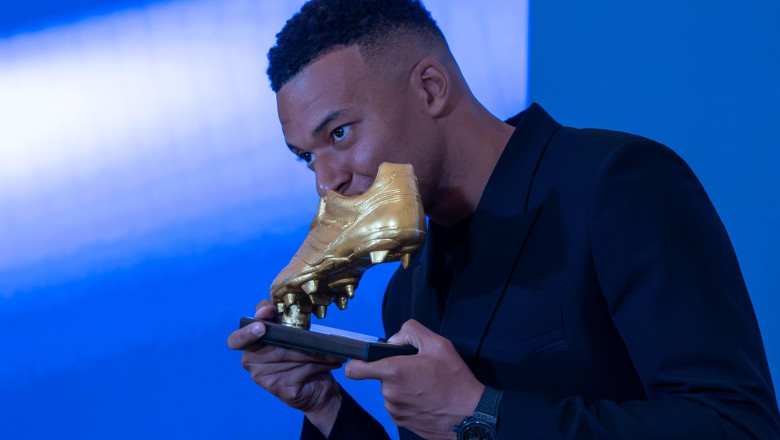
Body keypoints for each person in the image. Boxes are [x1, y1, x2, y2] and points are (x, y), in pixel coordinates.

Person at [227, 0, 780, 438]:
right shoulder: (406, 290)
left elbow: (735, 425)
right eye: (307, 156)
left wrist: (480, 413)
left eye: (339, 133)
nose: (326, 180)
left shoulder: (618, 183)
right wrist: (325, 409)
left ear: (430, 87)